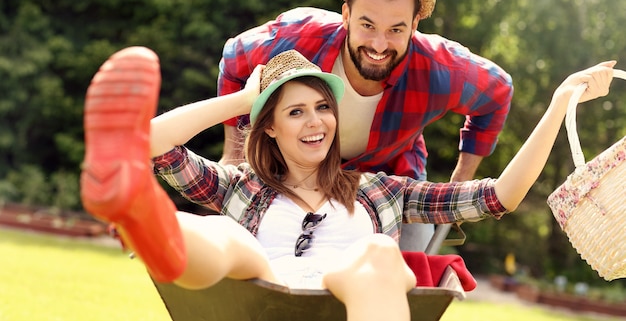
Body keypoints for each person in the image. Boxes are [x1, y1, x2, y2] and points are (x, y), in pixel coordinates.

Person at [80, 46, 614, 321]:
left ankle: (145, 221)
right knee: (230, 237)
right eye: (294, 111)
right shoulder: (243, 187)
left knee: (380, 253)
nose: (316, 122)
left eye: (322, 108)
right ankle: (144, 219)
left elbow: (499, 196)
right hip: (266, 288)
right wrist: (248, 100)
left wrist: (558, 103)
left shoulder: (381, 190)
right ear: (269, 127)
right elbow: (146, 142)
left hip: (350, 296)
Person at [217, 0, 514, 251]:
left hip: (388, 187)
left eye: (396, 30)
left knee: (413, 262)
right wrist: (233, 155)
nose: (379, 45)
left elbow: (498, 92)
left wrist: (461, 181)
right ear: (346, 15)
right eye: (367, 25)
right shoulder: (299, 37)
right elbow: (234, 59)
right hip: (288, 173)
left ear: (415, 24)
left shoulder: (441, 69)